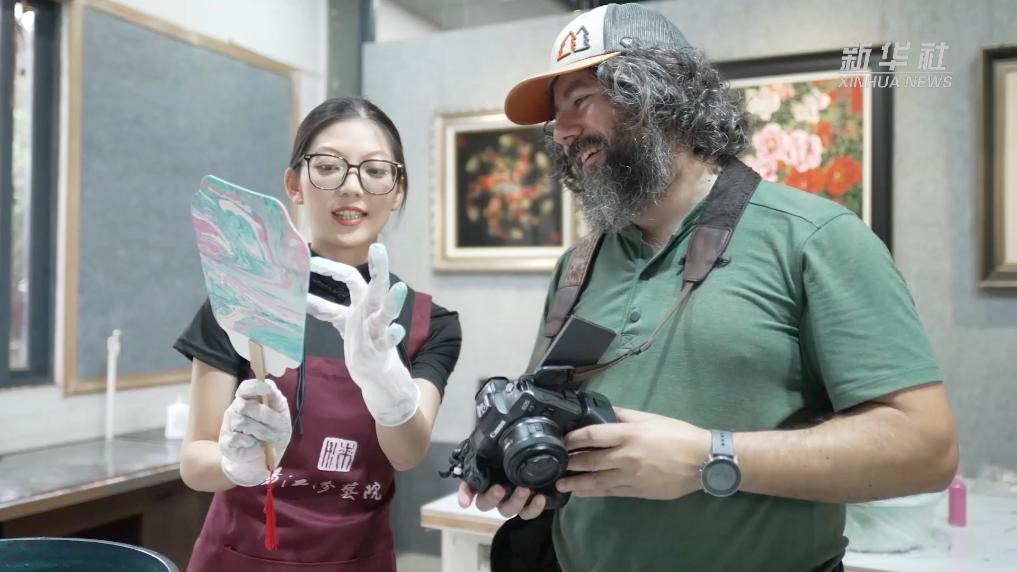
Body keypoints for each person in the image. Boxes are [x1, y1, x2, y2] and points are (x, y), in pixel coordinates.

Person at [458, 4, 958, 572]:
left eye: (580, 100)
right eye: (555, 116)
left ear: (658, 92)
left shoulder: (815, 238)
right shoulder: (577, 265)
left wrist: (710, 458)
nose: (562, 131)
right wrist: (523, 466)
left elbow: (925, 448)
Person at [175, 97, 462, 571]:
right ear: (295, 184)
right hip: (239, 558)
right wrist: (232, 463)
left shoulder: (428, 322)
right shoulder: (243, 297)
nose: (351, 187)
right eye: (328, 167)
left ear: (397, 190)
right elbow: (193, 462)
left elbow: (407, 453)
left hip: (356, 560)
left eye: (375, 171)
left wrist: (388, 389)